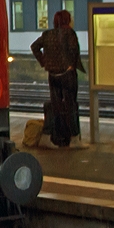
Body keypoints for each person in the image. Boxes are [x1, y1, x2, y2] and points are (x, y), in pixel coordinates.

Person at [31, 9, 84, 147]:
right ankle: (74, 139)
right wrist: (71, 65)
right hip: (67, 75)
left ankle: (46, 137)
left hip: (53, 75)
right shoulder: (69, 33)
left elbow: (34, 46)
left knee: (55, 107)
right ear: (67, 20)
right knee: (70, 105)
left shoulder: (48, 34)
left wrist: (44, 62)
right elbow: (74, 51)